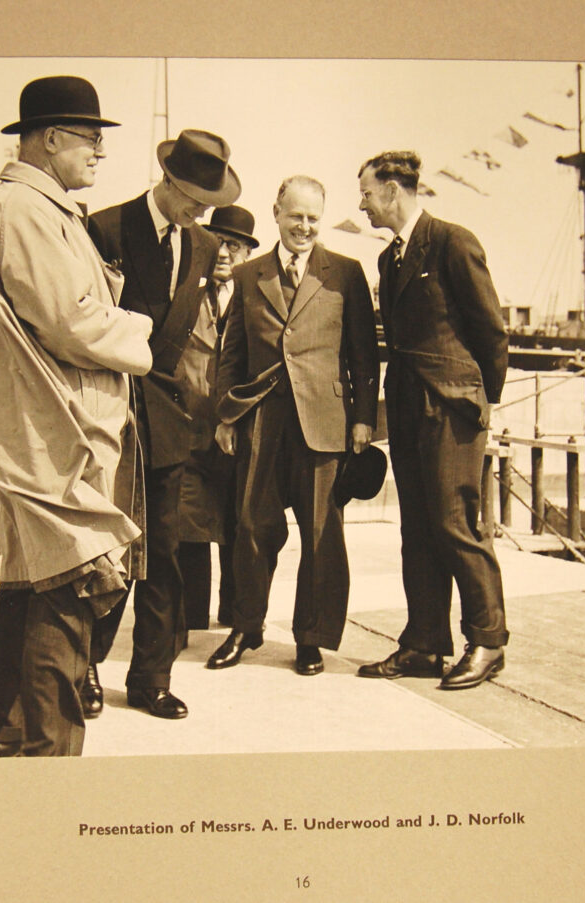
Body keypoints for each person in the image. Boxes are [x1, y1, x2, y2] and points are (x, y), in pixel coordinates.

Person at [0, 75, 153, 756]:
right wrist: (140, 331)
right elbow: (71, 320)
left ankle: (11, 746)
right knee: (69, 588)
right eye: (91, 139)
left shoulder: (37, 208)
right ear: (50, 139)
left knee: (29, 586)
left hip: (45, 428)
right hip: (48, 432)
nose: (100, 153)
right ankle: (49, 764)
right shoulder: (25, 211)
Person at [86, 129, 239, 719]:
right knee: (105, 553)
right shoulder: (105, 228)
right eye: (196, 199)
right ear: (168, 182)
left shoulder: (201, 245)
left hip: (170, 422)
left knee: (166, 556)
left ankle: (150, 677)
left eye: (210, 202)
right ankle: (84, 672)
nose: (203, 212)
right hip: (112, 414)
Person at [208, 175, 379, 675]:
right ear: (277, 213)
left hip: (325, 421)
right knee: (251, 527)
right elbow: (230, 353)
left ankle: (310, 637)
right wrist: (226, 414)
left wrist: (364, 419)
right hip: (262, 418)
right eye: (295, 216)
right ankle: (247, 627)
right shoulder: (248, 275)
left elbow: (364, 357)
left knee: (321, 533)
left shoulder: (345, 273)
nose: (303, 226)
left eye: (312, 218)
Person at [355, 150, 509, 689]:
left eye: (368, 193)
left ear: (394, 192)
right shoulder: (389, 259)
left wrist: (481, 399)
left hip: (451, 406)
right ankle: (423, 643)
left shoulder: (451, 241)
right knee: (417, 528)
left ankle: (488, 639)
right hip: (407, 405)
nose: (363, 203)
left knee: (454, 521)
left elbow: (491, 330)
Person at [178, 205, 259, 632]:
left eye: (235, 245)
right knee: (189, 526)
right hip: (190, 431)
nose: (225, 253)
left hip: (241, 434)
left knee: (239, 525)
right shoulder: (188, 296)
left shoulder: (260, 300)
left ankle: (236, 616)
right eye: (218, 243)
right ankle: (191, 618)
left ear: (248, 252)